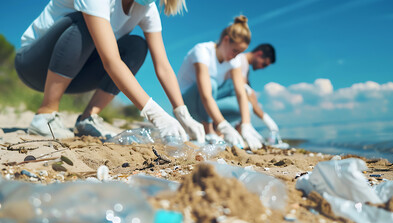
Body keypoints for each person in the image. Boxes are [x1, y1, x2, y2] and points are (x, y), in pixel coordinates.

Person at [14, 0, 204, 143]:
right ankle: (45, 114)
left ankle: (88, 118)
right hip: (33, 65)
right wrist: (154, 114)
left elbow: (163, 66)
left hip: (75, 74)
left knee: (136, 47)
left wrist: (182, 114)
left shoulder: (147, 9)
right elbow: (111, 61)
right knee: (86, 23)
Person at [177, 15, 263, 150]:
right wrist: (224, 125)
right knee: (211, 83)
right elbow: (206, 95)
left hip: (207, 104)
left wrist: (246, 124)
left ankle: (217, 130)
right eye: (235, 50)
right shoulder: (202, 51)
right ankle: (209, 130)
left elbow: (240, 94)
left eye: (240, 53)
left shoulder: (234, 60)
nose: (236, 56)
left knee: (246, 103)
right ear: (226, 40)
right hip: (187, 104)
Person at [217, 44, 280, 133]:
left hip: (221, 103)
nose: (262, 68)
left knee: (247, 102)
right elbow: (246, 94)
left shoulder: (246, 69)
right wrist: (266, 120)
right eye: (264, 64)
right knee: (246, 104)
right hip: (213, 101)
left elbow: (252, 97)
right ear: (259, 54)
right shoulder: (239, 59)